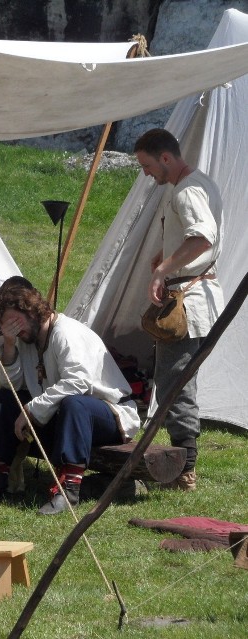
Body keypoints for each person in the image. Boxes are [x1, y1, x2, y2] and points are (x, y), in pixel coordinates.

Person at [0, 284, 140, 514]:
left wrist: (32, 409)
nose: (12, 329)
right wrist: (9, 345)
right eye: (6, 325)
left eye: (14, 322)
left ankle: (68, 490)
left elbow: (77, 383)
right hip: (63, 417)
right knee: (2, 400)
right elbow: (13, 385)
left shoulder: (65, 333)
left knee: (74, 403)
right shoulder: (26, 339)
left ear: (31, 311)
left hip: (108, 416)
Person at [133, 128, 223, 492]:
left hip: (191, 300)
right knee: (177, 380)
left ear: (166, 158)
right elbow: (190, 238)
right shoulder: (196, 184)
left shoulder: (187, 191)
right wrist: (166, 256)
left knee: (175, 384)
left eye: (147, 165)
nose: (146, 172)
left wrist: (162, 269)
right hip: (194, 295)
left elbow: (203, 237)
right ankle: (181, 462)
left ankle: (183, 468)